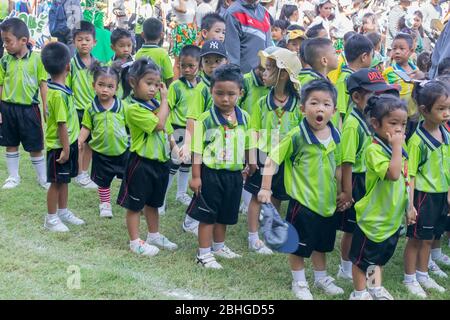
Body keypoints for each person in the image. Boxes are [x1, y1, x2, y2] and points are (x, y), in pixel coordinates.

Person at [259, 80, 344, 300]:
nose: (320, 108)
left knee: (322, 245)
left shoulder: (336, 136)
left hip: (327, 204)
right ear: (302, 108)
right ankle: (299, 282)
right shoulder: (296, 136)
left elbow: (339, 167)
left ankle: (321, 277)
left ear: (333, 111)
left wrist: (343, 191)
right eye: (314, 103)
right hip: (303, 203)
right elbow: (271, 159)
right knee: (298, 246)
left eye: (326, 104)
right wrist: (266, 188)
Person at [187, 64, 256, 269]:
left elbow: (249, 142)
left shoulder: (245, 118)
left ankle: (218, 247)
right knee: (208, 215)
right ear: (211, 91)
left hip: (233, 175)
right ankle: (204, 254)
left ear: (240, 93)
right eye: (219, 93)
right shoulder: (206, 120)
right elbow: (197, 150)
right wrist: (196, 176)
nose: (225, 99)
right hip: (211, 174)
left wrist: (250, 162)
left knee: (225, 214)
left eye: (231, 94)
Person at [337, 68, 399, 282]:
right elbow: (347, 161)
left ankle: (368, 275)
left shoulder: (371, 120)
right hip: (355, 180)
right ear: (356, 97)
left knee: (363, 228)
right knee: (351, 228)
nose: (379, 99)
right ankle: (346, 266)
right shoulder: (353, 124)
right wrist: (346, 191)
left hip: (369, 178)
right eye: (374, 95)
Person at [117, 58, 178, 256]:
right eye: (148, 83)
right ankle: (135, 242)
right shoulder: (133, 108)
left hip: (159, 162)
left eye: (156, 84)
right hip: (141, 163)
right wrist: (165, 100)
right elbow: (159, 124)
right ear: (133, 82)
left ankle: (154, 234)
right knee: (135, 205)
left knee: (153, 202)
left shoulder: (155, 103)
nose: (153, 89)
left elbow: (166, 127)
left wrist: (173, 145)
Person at [244, 47, 302, 255]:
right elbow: (253, 131)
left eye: (269, 69)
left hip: (285, 160)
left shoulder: (298, 105)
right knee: (256, 197)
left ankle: (271, 234)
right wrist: (251, 158)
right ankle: (253, 237)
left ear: (284, 74)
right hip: (262, 157)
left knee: (275, 197)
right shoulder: (261, 103)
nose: (263, 72)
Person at [403, 80, 450, 298]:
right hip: (423, 196)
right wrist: (410, 205)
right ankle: (410, 278)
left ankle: (423, 274)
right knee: (416, 239)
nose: (447, 113)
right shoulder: (417, 142)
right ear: (424, 110)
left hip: (440, 195)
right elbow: (409, 175)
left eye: (449, 108)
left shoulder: (446, 134)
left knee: (430, 237)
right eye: (441, 109)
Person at [182, 39, 228, 235]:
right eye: (207, 61)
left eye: (217, 61)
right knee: (203, 184)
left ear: (225, 61)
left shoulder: (226, 85)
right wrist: (188, 143)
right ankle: (190, 220)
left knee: (214, 186)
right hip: (205, 144)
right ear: (201, 64)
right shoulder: (202, 89)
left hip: (220, 144)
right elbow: (192, 119)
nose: (212, 66)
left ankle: (205, 219)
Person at [0, 18, 48, 190]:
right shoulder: (5, 61)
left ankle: (43, 178)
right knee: (10, 144)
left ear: (23, 41)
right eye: (3, 41)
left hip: (30, 109)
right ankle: (13, 177)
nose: (5, 45)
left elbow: (43, 84)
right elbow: (0, 84)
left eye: (8, 41)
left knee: (35, 145)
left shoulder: (37, 60)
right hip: (7, 108)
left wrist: (46, 107)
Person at [41, 42, 84, 232]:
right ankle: (51, 218)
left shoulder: (62, 89)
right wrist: (66, 149)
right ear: (68, 66)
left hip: (68, 143)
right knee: (56, 183)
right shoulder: (58, 95)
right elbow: (61, 124)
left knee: (64, 180)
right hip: (60, 146)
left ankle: (63, 211)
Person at [78, 65, 129, 219]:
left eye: (110, 86)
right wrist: (80, 140)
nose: (105, 90)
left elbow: (131, 126)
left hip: (122, 151)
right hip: (100, 153)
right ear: (94, 86)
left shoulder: (123, 107)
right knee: (103, 181)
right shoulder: (91, 108)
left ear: (117, 88)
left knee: (129, 178)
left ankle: (129, 200)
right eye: (101, 85)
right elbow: (86, 127)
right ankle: (105, 204)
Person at [159, 45, 205, 214]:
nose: (186, 69)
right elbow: (167, 109)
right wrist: (169, 132)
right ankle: (160, 201)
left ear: (199, 65)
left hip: (194, 131)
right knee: (173, 166)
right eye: (182, 66)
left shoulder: (203, 86)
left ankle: (181, 194)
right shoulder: (176, 86)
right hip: (178, 130)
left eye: (191, 66)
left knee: (187, 164)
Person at [66, 20, 98, 189]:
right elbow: (66, 88)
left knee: (91, 144)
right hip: (77, 111)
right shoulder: (70, 65)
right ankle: (79, 173)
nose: (84, 43)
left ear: (94, 42)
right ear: (74, 41)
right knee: (79, 143)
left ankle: (85, 172)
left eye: (87, 39)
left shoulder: (98, 64)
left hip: (93, 111)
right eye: (79, 39)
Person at [383, 33, 422, 140]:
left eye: (402, 48)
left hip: (414, 115)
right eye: (394, 48)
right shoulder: (389, 72)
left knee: (412, 139)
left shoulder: (416, 70)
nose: (397, 51)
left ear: (411, 51)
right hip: (397, 115)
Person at [224, 0, 272, 74]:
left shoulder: (264, 12)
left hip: (265, 78)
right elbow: (232, 57)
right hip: (244, 80)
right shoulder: (233, 13)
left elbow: (269, 46)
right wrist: (235, 80)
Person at [335, 34, 373, 127]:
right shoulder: (345, 78)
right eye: (372, 55)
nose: (372, 59)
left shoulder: (358, 76)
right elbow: (339, 112)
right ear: (364, 57)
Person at [135, 18, 174, 87]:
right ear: (162, 35)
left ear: (142, 34)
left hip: (141, 93)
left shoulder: (138, 53)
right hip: (158, 94)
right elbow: (169, 77)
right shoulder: (162, 53)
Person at [171, 0, 198, 79]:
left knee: (191, 59)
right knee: (178, 62)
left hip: (191, 32)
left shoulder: (193, 2)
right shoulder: (175, 2)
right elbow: (183, 10)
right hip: (180, 33)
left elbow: (194, 20)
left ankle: (189, 82)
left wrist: (196, 35)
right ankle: (175, 86)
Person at [108, 28, 134, 99]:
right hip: (115, 101)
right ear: (113, 47)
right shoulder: (109, 66)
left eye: (129, 45)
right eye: (121, 46)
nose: (126, 49)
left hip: (133, 101)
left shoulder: (136, 64)